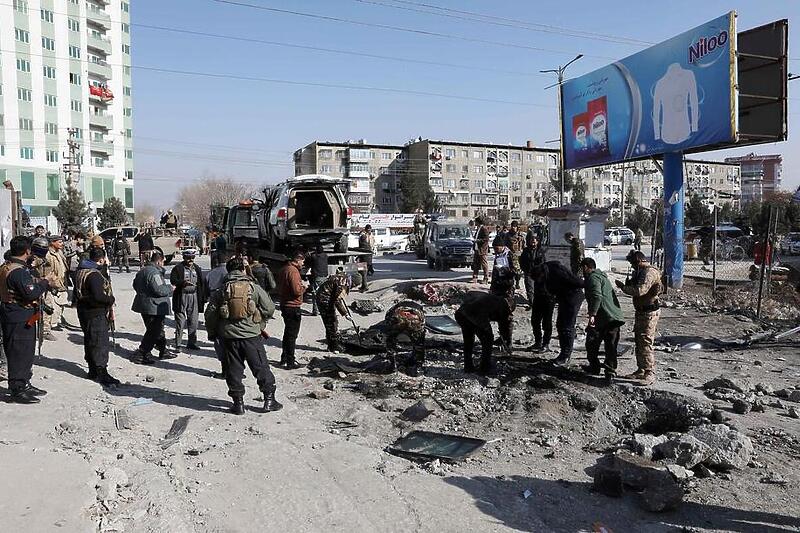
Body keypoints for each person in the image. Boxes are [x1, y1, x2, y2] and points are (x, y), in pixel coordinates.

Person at [205, 257, 282, 415]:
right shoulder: (253, 288)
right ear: (242, 270)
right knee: (260, 367)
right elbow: (269, 308)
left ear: (228, 271)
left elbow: (210, 315)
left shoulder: (221, 290)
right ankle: (269, 400)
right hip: (251, 337)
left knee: (234, 370)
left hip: (229, 338)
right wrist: (259, 323)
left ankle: (238, 404)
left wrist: (213, 333)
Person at [0, 236, 51, 403]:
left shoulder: (6, 266)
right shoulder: (18, 272)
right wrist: (44, 283)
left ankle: (24, 382)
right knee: (19, 353)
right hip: (19, 316)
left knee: (25, 352)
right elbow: (31, 293)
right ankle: (17, 389)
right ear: (27, 251)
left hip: (17, 315)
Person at [74, 246, 121, 386]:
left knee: (90, 340)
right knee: (99, 342)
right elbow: (99, 296)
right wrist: (110, 299)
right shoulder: (93, 275)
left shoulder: (82, 270)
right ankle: (101, 372)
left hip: (84, 311)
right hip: (95, 312)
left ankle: (93, 369)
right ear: (101, 259)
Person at [615, 251, 662, 385]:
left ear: (639, 261)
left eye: (634, 263)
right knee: (639, 340)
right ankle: (641, 369)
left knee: (646, 342)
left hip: (649, 312)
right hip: (642, 311)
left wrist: (624, 287)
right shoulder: (640, 271)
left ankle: (649, 373)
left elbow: (640, 290)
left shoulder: (649, 272)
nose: (633, 266)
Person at [533, 260, 585, 366]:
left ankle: (566, 356)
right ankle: (563, 354)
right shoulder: (547, 273)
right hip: (564, 298)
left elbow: (578, 283)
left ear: (541, 274)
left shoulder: (557, 272)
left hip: (572, 297)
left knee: (567, 327)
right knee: (560, 325)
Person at [581, 258, 625, 378]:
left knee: (592, 342)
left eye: (582, 269)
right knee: (611, 346)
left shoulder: (593, 278)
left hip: (604, 316)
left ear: (585, 267)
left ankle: (596, 367)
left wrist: (592, 315)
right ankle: (609, 371)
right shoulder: (602, 277)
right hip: (614, 316)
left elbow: (596, 296)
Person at [131, 250, 175, 364]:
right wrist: (171, 288)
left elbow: (135, 285)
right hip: (154, 307)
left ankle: (163, 350)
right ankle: (142, 353)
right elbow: (160, 290)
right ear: (159, 261)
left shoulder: (142, 271)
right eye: (163, 262)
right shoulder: (154, 273)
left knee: (157, 330)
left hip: (144, 305)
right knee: (153, 331)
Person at [455, 291, 512, 375]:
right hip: (476, 315)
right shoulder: (504, 305)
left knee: (468, 341)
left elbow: (469, 295)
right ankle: (484, 368)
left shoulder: (492, 298)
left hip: (461, 314)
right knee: (488, 340)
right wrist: (506, 339)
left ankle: (468, 367)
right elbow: (504, 324)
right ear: (510, 307)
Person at [522, 237, 553, 352]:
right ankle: (538, 342)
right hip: (538, 298)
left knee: (546, 323)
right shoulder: (527, 253)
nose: (533, 242)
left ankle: (545, 344)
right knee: (535, 321)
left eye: (535, 240)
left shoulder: (547, 271)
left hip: (548, 298)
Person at [170, 248, 204, 351]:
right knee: (180, 322)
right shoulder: (178, 268)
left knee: (193, 321)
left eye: (192, 257)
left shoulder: (197, 268)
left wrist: (202, 298)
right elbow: (173, 280)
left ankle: (192, 343)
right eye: (188, 258)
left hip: (193, 296)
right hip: (182, 296)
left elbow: (201, 284)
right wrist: (182, 283)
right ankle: (178, 344)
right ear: (184, 257)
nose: (191, 260)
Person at [277, 249, 306, 369]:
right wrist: (304, 287)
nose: (303, 263)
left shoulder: (284, 269)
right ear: (298, 259)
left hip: (285, 304)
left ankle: (284, 358)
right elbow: (296, 291)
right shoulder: (293, 272)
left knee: (287, 333)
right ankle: (290, 361)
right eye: (303, 261)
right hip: (292, 306)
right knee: (292, 335)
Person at [205, 250, 231, 378]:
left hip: (215, 308)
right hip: (230, 309)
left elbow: (206, 292)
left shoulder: (211, 274)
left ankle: (225, 370)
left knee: (220, 341)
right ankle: (236, 371)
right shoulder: (230, 273)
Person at [39, 235, 70, 340]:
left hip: (61, 282)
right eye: (59, 242)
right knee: (50, 308)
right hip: (53, 284)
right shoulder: (48, 255)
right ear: (52, 243)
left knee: (60, 305)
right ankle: (46, 330)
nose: (62, 244)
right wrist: (55, 284)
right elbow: (50, 272)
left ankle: (56, 323)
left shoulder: (59, 253)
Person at [384, 300, 426, 375]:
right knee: (390, 339)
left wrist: (418, 363)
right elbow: (389, 336)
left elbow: (420, 343)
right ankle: (392, 363)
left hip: (414, 320)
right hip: (396, 319)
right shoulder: (391, 317)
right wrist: (392, 361)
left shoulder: (419, 319)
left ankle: (418, 365)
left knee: (419, 342)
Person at [315, 270, 350, 353]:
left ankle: (331, 345)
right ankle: (334, 347)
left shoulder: (342, 277)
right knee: (331, 322)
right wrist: (345, 314)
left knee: (330, 322)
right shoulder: (342, 283)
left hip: (324, 297)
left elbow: (337, 297)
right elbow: (337, 300)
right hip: (324, 300)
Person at [520, 233, 546, 305]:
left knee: (538, 288)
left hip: (538, 273)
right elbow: (522, 260)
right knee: (530, 288)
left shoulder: (540, 251)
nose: (533, 243)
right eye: (531, 241)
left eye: (534, 242)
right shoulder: (526, 250)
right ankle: (532, 303)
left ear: (537, 242)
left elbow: (544, 261)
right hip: (529, 272)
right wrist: (524, 269)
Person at [307, 245, 328, 316]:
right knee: (324, 294)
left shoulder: (314, 257)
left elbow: (309, 260)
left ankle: (315, 310)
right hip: (325, 277)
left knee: (315, 294)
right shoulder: (325, 256)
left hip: (317, 278)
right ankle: (324, 309)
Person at [470, 217, 490, 284]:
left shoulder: (484, 229)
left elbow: (486, 239)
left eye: (475, 222)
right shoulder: (478, 229)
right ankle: (475, 277)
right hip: (477, 249)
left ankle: (486, 278)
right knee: (476, 264)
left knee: (484, 264)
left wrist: (477, 240)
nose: (475, 223)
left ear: (478, 222)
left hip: (482, 250)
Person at [507, 221, 526, 289]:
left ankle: (517, 282)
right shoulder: (508, 235)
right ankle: (512, 283)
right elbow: (505, 244)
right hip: (510, 254)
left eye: (514, 226)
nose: (513, 228)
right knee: (511, 270)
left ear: (517, 227)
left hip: (519, 255)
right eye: (512, 226)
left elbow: (524, 245)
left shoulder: (521, 235)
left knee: (518, 271)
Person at [357, 225, 375, 292]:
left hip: (364, 258)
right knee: (363, 272)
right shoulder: (370, 237)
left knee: (362, 272)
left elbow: (361, 249)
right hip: (368, 256)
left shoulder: (364, 240)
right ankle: (363, 285)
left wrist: (358, 258)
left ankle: (365, 286)